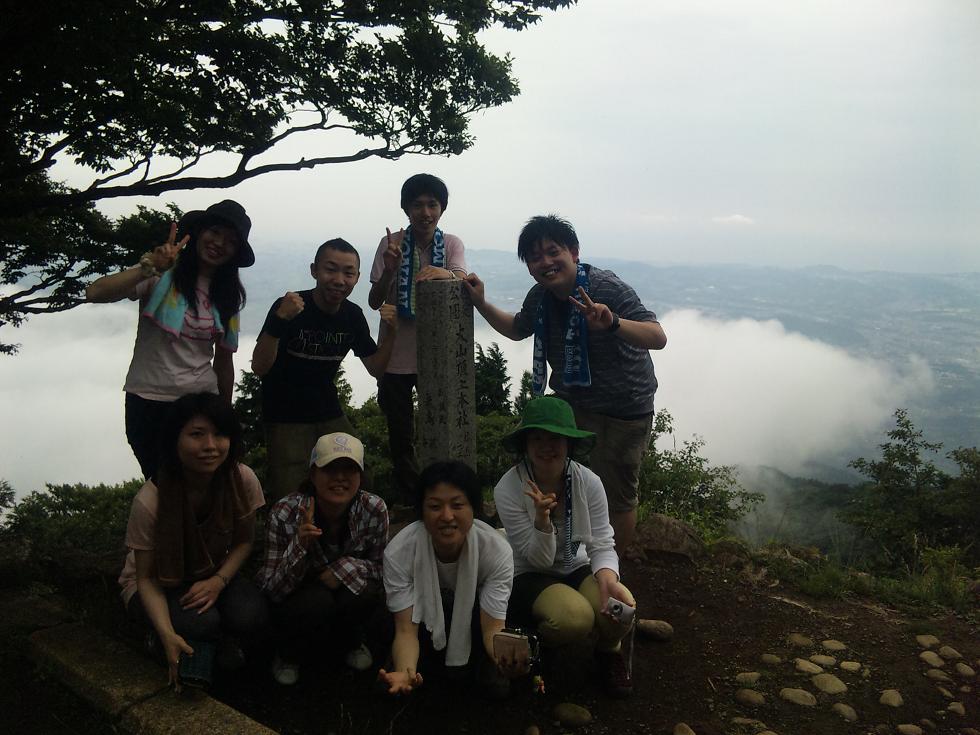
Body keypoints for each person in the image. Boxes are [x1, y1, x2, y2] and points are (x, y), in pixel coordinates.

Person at [464, 214, 667, 551]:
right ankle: (553, 552)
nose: (545, 262)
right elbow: (517, 328)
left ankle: (610, 568)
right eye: (535, 257)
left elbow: (657, 336)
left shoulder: (606, 288)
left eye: (553, 251)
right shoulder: (540, 297)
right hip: (572, 402)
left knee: (616, 493)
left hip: (623, 408)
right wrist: (480, 303)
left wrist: (613, 322)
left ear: (574, 252)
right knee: (548, 471)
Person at [86, 200, 254, 481]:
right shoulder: (162, 274)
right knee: (161, 484)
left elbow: (224, 360)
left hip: (201, 404)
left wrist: (225, 416)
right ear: (199, 232)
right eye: (214, 232)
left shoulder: (227, 296)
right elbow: (96, 292)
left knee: (201, 486)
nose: (219, 243)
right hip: (148, 399)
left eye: (231, 241)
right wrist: (149, 266)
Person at [117, 392, 268, 690]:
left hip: (212, 570)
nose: (210, 446)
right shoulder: (152, 500)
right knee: (201, 622)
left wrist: (218, 581)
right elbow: (145, 578)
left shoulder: (242, 480)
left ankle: (217, 647)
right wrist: (166, 633)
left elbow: (244, 541)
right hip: (158, 583)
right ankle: (161, 640)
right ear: (174, 440)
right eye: (197, 434)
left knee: (251, 615)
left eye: (220, 434)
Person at [493, 396, 636, 698]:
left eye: (555, 438)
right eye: (537, 438)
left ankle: (609, 651)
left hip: (575, 563)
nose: (547, 446)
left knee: (621, 607)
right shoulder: (509, 488)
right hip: (529, 572)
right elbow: (538, 559)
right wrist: (542, 522)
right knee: (574, 619)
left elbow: (602, 541)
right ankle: (533, 639)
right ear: (525, 444)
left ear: (569, 443)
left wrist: (607, 578)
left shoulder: (588, 482)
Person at [251, 238, 398, 502]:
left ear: (357, 278)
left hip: (328, 411)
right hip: (284, 415)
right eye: (331, 269)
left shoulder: (352, 315)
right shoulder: (289, 306)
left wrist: (392, 332)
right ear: (314, 270)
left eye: (348, 273)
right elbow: (259, 367)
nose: (339, 280)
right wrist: (279, 320)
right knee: (292, 492)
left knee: (361, 475)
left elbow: (376, 368)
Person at [378, 461, 526, 698]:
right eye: (435, 506)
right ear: (421, 511)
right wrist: (406, 671)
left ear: (474, 508)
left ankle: (484, 666)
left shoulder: (495, 551)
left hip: (473, 617)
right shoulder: (399, 552)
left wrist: (504, 658)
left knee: (494, 688)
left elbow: (492, 626)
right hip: (425, 621)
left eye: (457, 505)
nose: (447, 516)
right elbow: (406, 630)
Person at [256, 432, 389, 685]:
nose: (340, 477)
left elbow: (383, 570)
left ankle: (350, 641)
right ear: (313, 474)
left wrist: (343, 568)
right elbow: (271, 589)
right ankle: (289, 653)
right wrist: (300, 545)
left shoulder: (374, 508)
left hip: (344, 588)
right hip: (299, 595)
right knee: (316, 602)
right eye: (329, 469)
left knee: (365, 592)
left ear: (360, 476)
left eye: (349, 469)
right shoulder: (285, 512)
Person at [368, 174, 468, 503]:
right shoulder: (391, 244)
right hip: (395, 355)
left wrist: (445, 273)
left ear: (442, 209)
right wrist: (390, 268)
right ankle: (412, 498)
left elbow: (462, 279)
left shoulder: (450, 244)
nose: (425, 212)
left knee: (439, 427)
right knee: (400, 433)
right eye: (417, 205)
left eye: (432, 205)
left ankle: (444, 493)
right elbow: (374, 300)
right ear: (406, 209)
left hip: (435, 355)